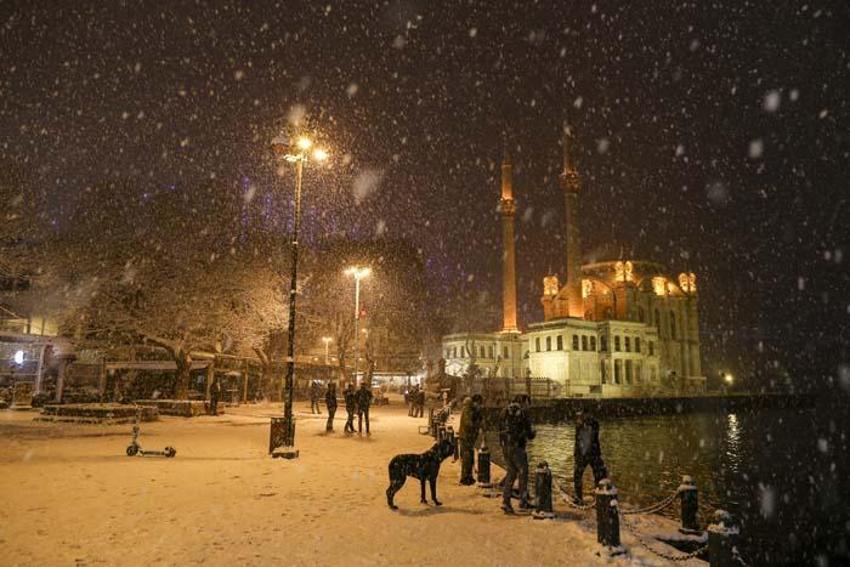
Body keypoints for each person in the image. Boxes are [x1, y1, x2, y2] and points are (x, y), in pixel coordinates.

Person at [499, 395, 535, 514]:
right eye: (527, 403)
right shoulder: (522, 414)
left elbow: (500, 428)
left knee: (511, 472)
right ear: (523, 402)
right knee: (523, 472)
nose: (528, 406)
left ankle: (506, 501)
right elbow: (529, 434)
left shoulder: (504, 412)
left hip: (505, 446)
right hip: (517, 446)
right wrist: (532, 433)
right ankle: (523, 500)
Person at [573, 411, 608, 504]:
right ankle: (599, 496)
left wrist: (579, 454)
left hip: (588, 453)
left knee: (579, 475)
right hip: (591, 453)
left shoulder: (587, 424)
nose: (578, 418)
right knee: (599, 474)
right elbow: (581, 440)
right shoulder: (588, 424)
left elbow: (584, 440)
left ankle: (580, 497)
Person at [458, 395, 484, 485]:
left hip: (468, 437)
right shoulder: (468, 409)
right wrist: (477, 424)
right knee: (467, 458)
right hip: (466, 437)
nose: (480, 406)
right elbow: (468, 423)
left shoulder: (471, 409)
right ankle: (465, 478)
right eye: (479, 403)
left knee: (469, 457)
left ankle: (468, 476)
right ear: (475, 402)